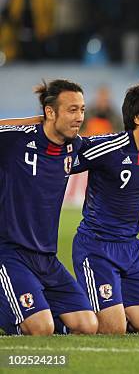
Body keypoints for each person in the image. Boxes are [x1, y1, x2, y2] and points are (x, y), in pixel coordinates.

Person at [70, 82, 139, 334]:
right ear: (137, 118)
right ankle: (61, 316)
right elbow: (62, 159)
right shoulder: (108, 148)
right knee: (112, 329)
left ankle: (106, 308)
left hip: (131, 249)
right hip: (96, 247)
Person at [0, 79, 98, 335]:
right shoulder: (15, 141)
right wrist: (30, 120)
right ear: (50, 112)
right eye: (72, 110)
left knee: (87, 325)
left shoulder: (74, 146)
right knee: (40, 328)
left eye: (82, 109)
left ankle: (27, 307)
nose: (79, 117)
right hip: (9, 251)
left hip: (46, 257)